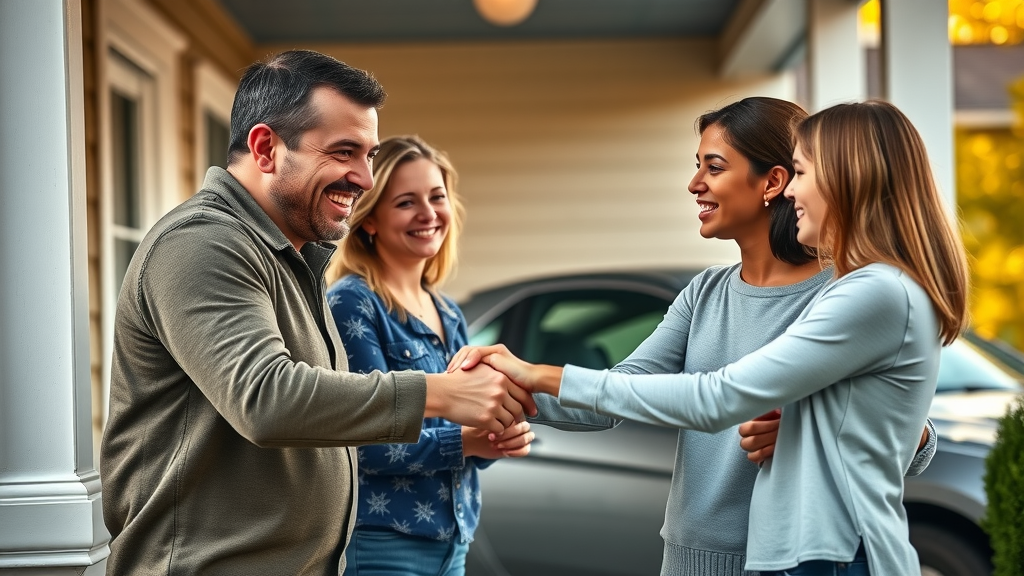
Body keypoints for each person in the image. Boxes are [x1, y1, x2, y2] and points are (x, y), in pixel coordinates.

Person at [452, 100, 966, 576]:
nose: (694, 183)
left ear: (773, 182)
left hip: (793, 553)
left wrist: (812, 429)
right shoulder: (705, 293)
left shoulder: (846, 294)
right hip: (694, 554)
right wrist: (506, 394)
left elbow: (902, 433)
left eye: (714, 167)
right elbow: (620, 392)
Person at [100, 50, 533, 576]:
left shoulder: (292, 259)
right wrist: (441, 394)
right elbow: (267, 399)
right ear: (265, 148)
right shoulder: (202, 244)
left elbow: (327, 417)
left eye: (369, 155)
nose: (365, 179)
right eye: (344, 152)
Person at [325, 135, 535, 575]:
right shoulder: (353, 304)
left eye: (436, 197)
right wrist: (469, 441)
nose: (428, 214)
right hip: (384, 544)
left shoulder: (446, 311)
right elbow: (362, 440)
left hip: (454, 542)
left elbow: (462, 434)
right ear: (370, 219)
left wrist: (497, 439)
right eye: (406, 202)